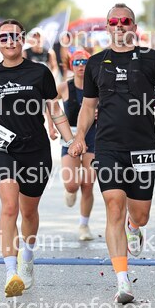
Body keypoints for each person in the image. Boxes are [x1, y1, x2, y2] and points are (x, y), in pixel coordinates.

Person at [69, 3, 155, 303]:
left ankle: (134, 227)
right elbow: (88, 106)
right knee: (114, 205)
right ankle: (122, 281)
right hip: (108, 147)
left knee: (140, 214)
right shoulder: (96, 63)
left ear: (134, 28)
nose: (119, 25)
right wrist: (80, 137)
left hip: (143, 147)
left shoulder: (151, 58)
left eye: (125, 21)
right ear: (107, 27)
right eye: (114, 21)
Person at [0, 19, 76, 298]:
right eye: (4, 37)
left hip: (36, 151)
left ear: (23, 40)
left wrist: (70, 141)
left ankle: (28, 256)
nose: (10, 41)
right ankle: (11, 273)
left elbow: (55, 109)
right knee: (9, 206)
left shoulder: (40, 72)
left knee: (29, 212)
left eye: (15, 36)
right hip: (3, 149)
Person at [50, 50, 96, 241]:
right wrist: (51, 126)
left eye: (84, 62)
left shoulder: (97, 85)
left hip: (92, 135)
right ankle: (70, 191)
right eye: (77, 62)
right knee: (71, 184)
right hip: (70, 136)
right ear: (71, 65)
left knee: (88, 184)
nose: (81, 66)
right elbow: (51, 103)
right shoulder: (64, 87)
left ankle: (84, 225)